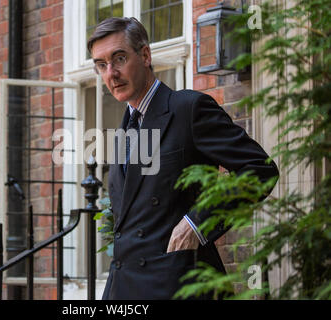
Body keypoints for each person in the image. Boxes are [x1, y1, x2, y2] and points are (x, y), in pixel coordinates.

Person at [87, 17, 279, 300]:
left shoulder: (188, 108)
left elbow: (259, 170)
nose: (111, 73)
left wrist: (196, 224)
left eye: (119, 58)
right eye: (101, 65)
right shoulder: (126, 128)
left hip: (181, 284)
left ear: (145, 55)